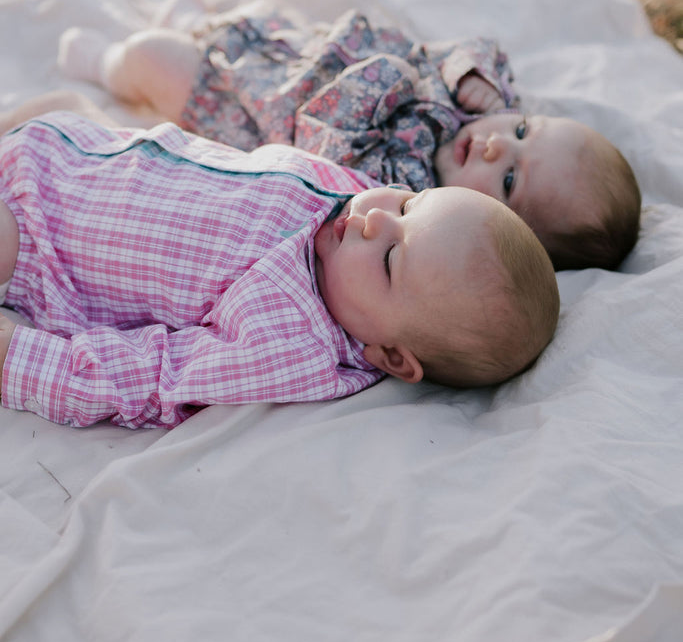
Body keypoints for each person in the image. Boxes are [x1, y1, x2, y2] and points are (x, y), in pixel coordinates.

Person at [0, 112, 559, 430]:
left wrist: (18, 358)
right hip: (67, 149)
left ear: (389, 354)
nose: (374, 220)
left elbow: (154, 379)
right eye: (411, 204)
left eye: (391, 258)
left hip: (34, 241)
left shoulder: (294, 341)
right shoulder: (355, 198)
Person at [57, 9, 641, 271]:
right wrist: (470, 74)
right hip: (296, 48)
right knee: (249, 18)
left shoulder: (406, 190)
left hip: (242, 103)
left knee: (154, 58)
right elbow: (478, 48)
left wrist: (397, 73)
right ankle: (202, 23)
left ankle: (110, 65)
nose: (495, 146)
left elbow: (323, 133)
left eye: (509, 180)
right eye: (522, 132)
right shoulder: (479, 107)